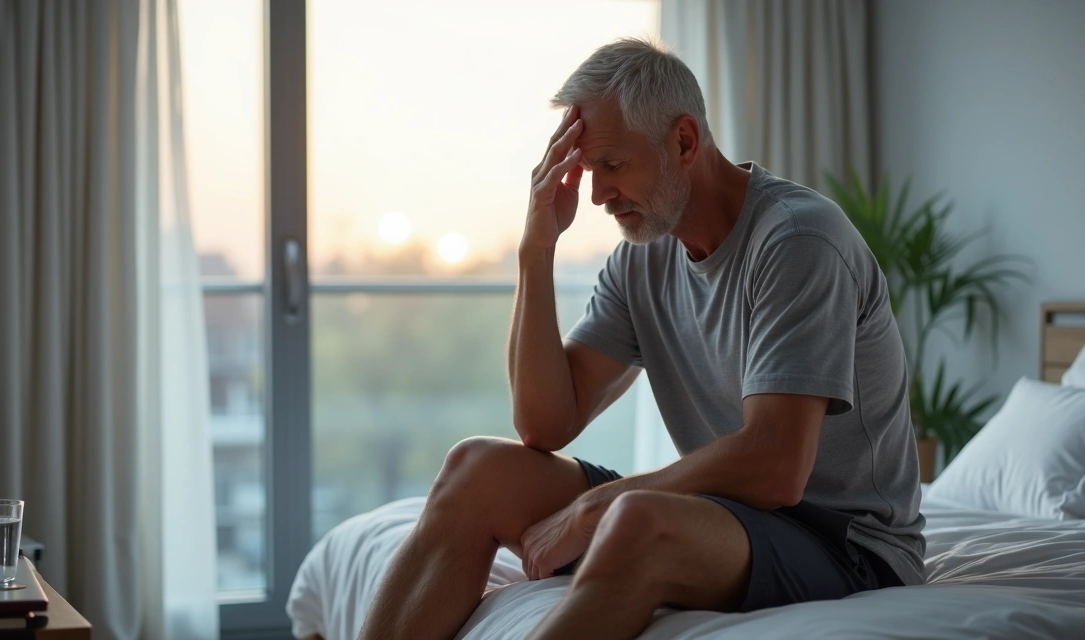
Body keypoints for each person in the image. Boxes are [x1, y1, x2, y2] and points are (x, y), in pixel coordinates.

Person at [357, 38, 925, 640]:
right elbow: (544, 425)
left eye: (612, 165)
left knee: (634, 518)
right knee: (477, 468)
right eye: (587, 170)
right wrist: (536, 247)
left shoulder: (796, 241)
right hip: (731, 517)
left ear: (684, 141)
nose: (598, 195)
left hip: (844, 544)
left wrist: (593, 506)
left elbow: (777, 465)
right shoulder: (643, 260)